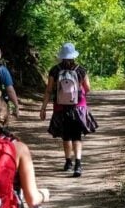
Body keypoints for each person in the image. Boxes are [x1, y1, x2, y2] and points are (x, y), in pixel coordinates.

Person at [40, 42, 96, 178]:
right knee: (77, 136)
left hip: (60, 107)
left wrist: (43, 108)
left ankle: (67, 162)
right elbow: (88, 88)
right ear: (73, 55)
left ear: (61, 56)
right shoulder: (81, 70)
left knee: (66, 135)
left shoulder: (54, 70)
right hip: (78, 107)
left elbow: (48, 90)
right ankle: (78, 163)